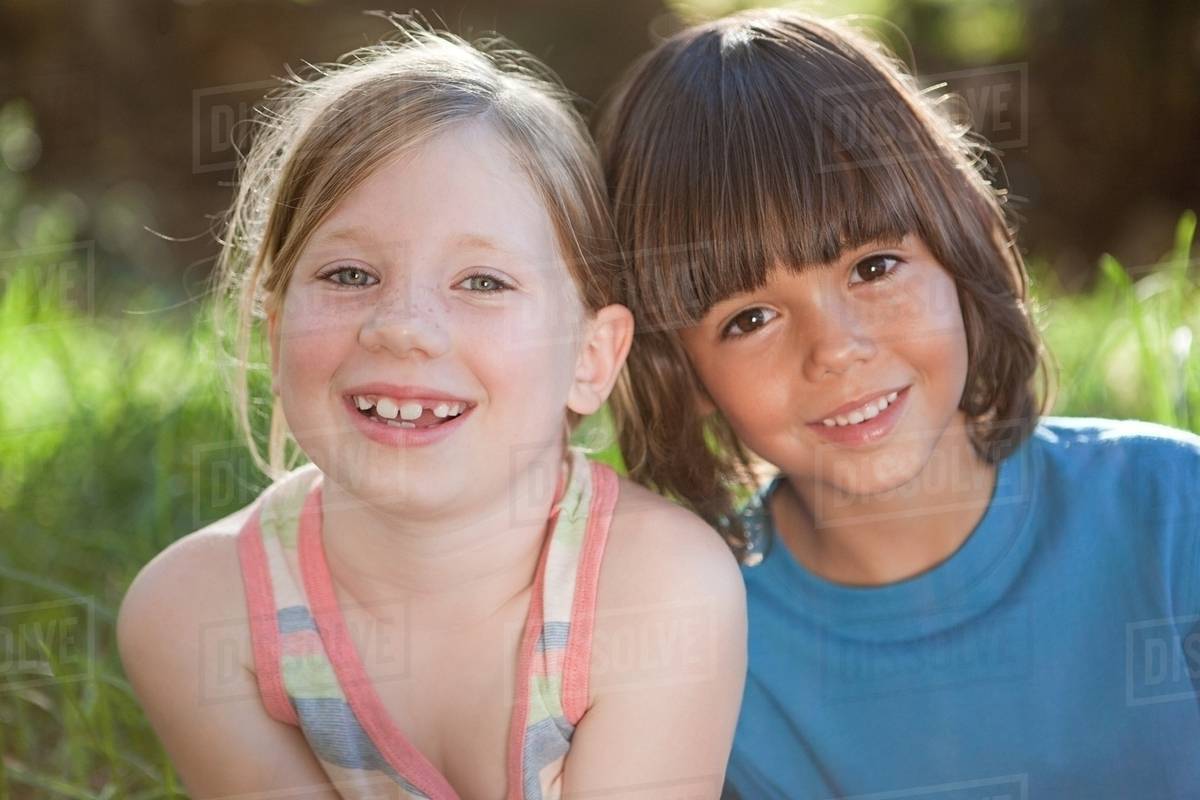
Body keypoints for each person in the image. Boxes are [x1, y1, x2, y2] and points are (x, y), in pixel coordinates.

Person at [117, 17, 745, 800]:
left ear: (591, 359)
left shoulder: (657, 591)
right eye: (348, 274)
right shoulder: (198, 618)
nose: (402, 327)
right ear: (275, 332)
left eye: (482, 282)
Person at [598, 9, 1200, 798]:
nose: (837, 348)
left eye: (875, 266)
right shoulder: (701, 646)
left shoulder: (1169, 514)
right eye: (749, 319)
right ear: (680, 371)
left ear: (960, 244)